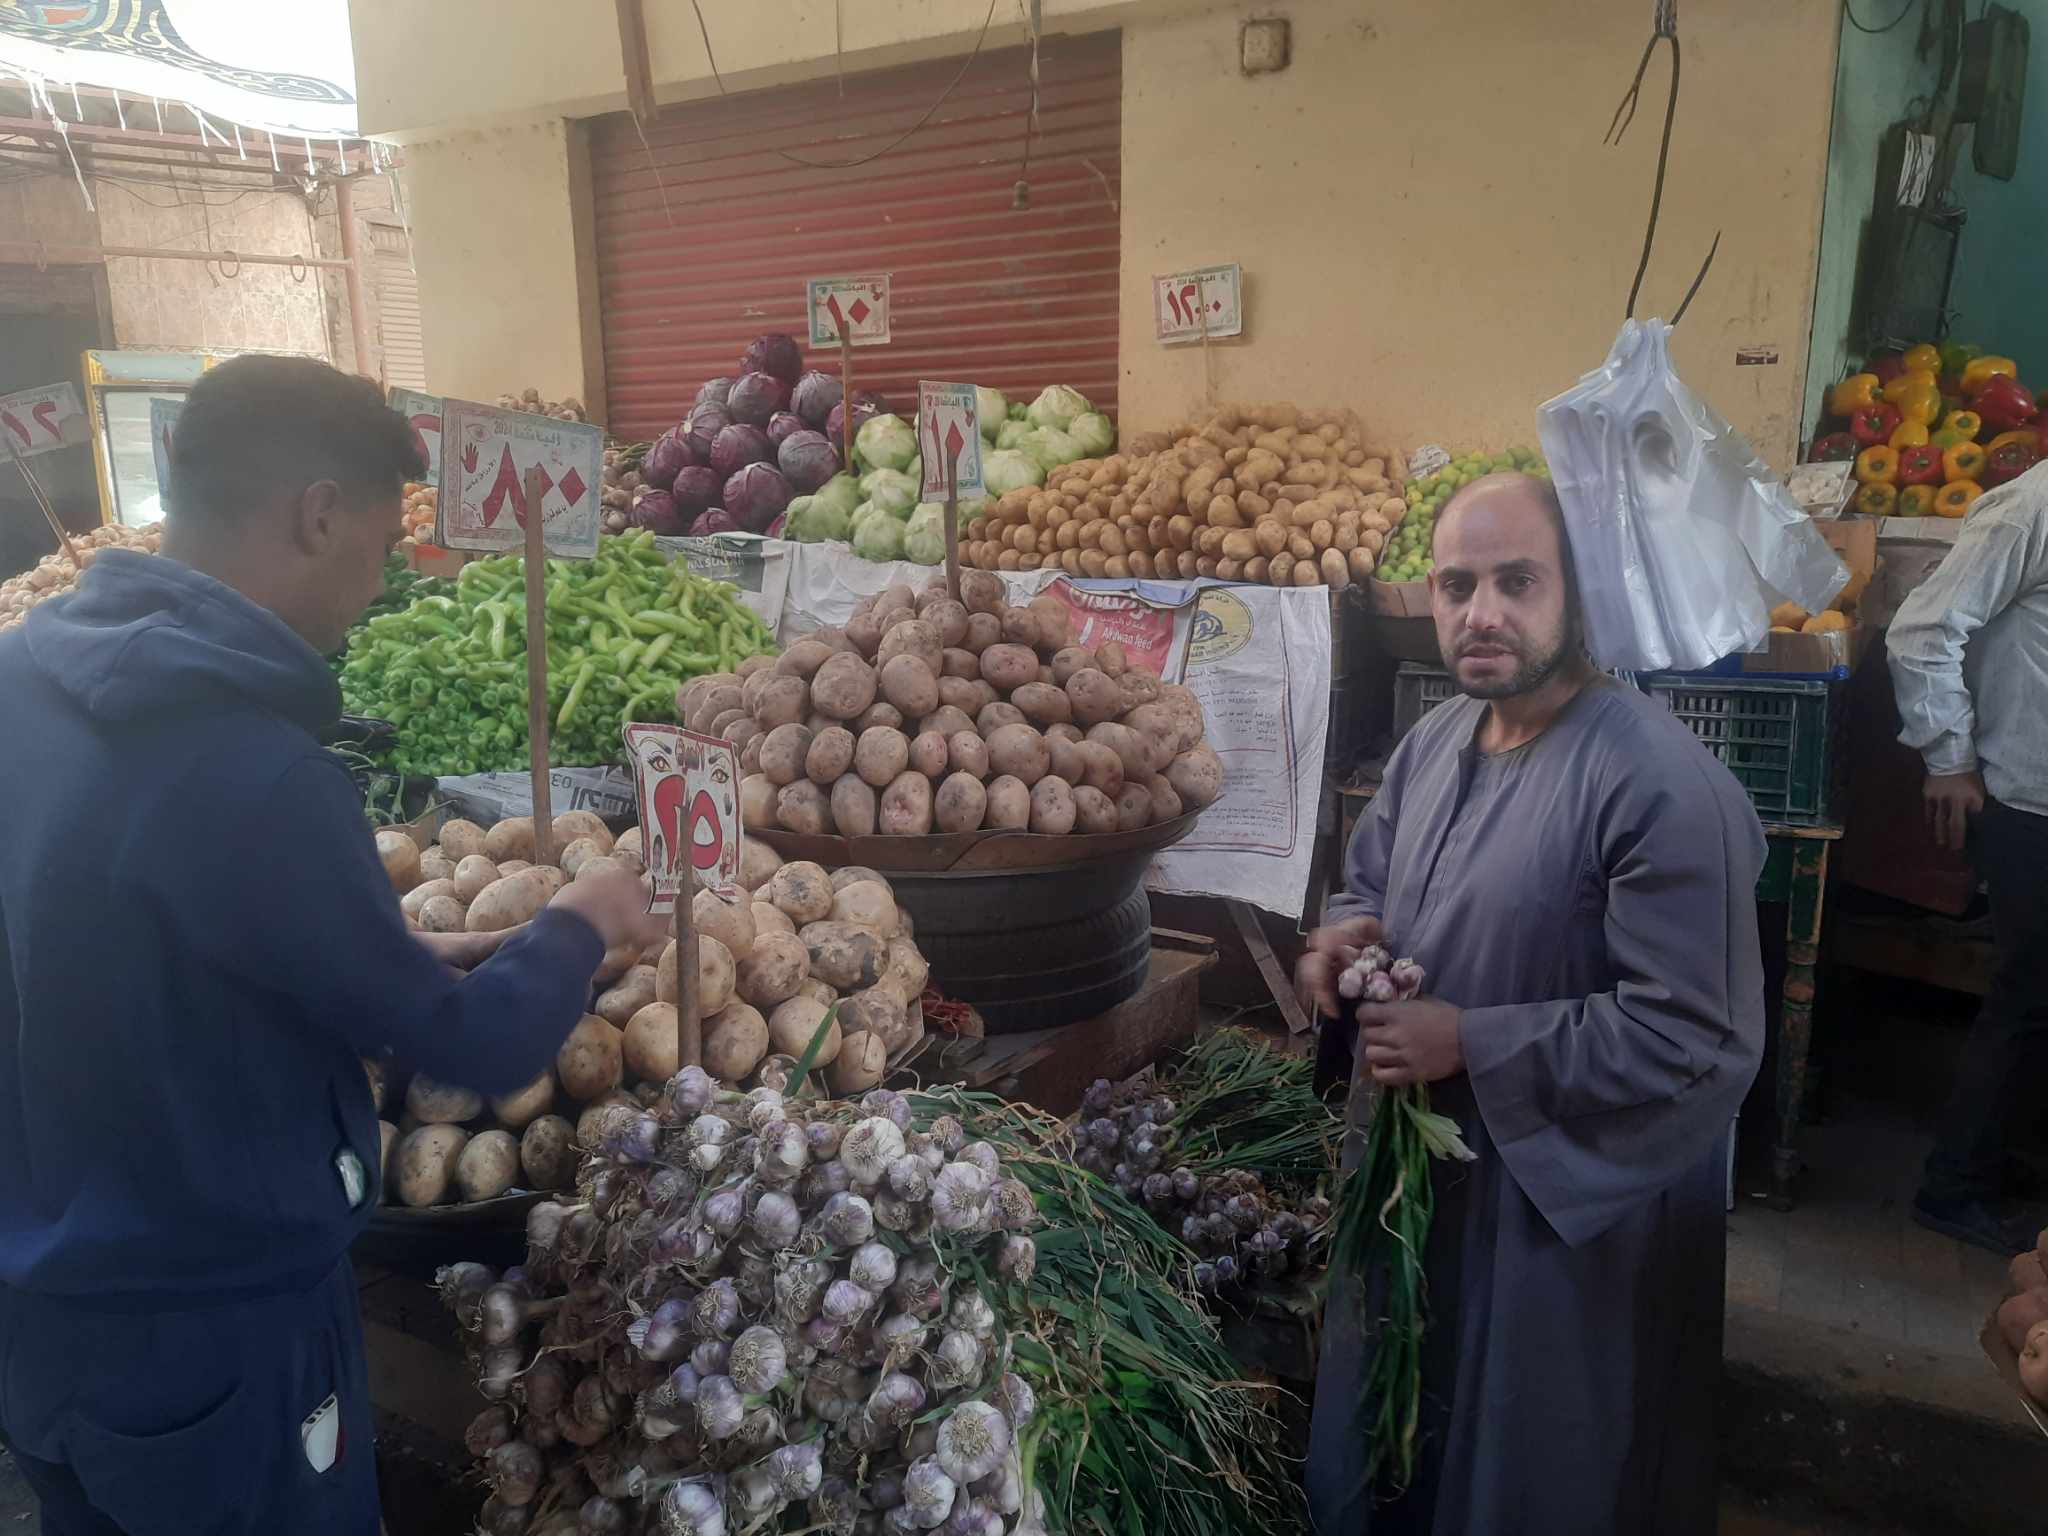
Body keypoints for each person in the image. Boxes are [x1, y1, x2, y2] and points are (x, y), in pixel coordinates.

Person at [0, 356, 668, 1536]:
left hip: (47, 1312)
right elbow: (476, 1047)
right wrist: (583, 920)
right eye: (377, 543)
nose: (379, 581)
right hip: (219, 1334)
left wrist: (432, 956)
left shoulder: (22, 683)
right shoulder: (253, 771)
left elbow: (160, 942)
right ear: (318, 513)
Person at [1295, 472, 1765, 1535]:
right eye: (1457, 585)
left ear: (1576, 592)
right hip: (1418, 1183)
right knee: (1404, 1439)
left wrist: (1472, 1041)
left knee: (1532, 1468)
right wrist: (1342, 938)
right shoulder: (1430, 747)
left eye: (1517, 581)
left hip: (1561, 1220)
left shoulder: (1656, 784)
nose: (1482, 614)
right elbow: (1366, 880)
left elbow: (1698, 1035)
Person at [1887, 459, 2048, 1255]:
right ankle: (1953, 1188)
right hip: (2029, 801)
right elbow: (1922, 632)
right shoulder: (2031, 508)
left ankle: (1994, 1161)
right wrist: (1947, 757)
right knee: (2029, 998)